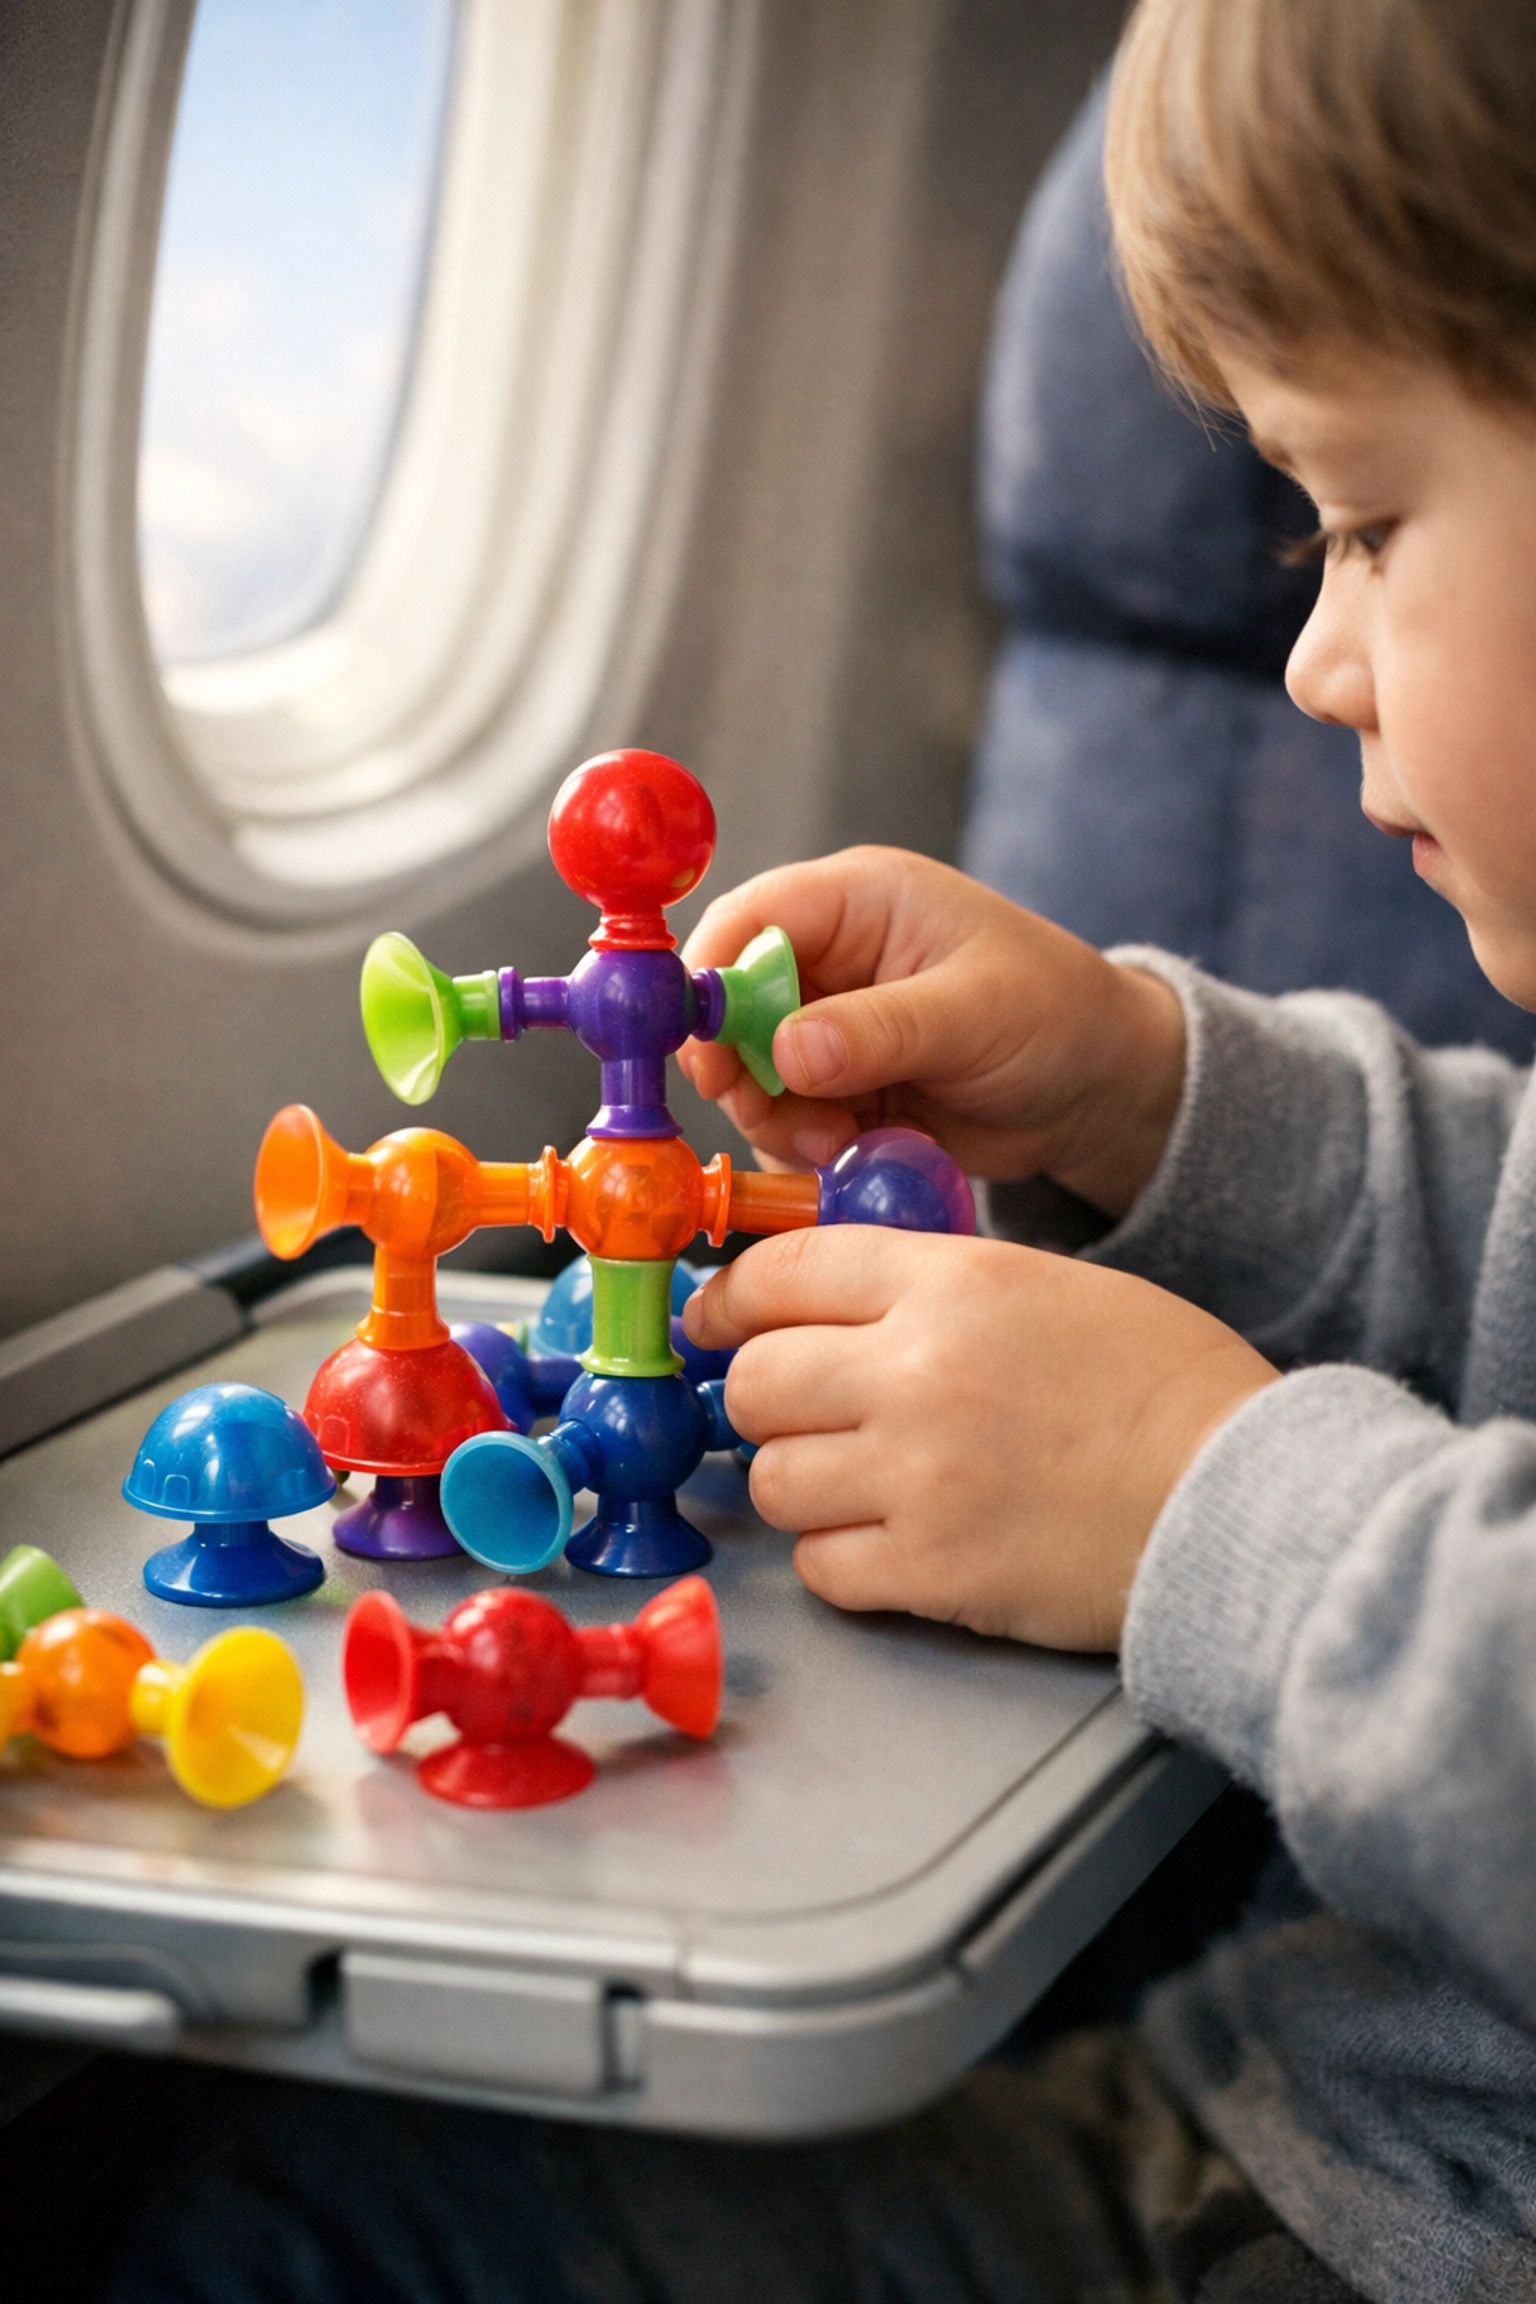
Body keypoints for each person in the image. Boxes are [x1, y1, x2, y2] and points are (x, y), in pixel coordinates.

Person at [92, 0, 1536, 2296]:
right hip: (1280, 2127)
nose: (1315, 662)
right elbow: (1500, 1226)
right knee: (281, 2213)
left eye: (1366, 522)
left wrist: (1202, 1506)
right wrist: (1137, 1082)